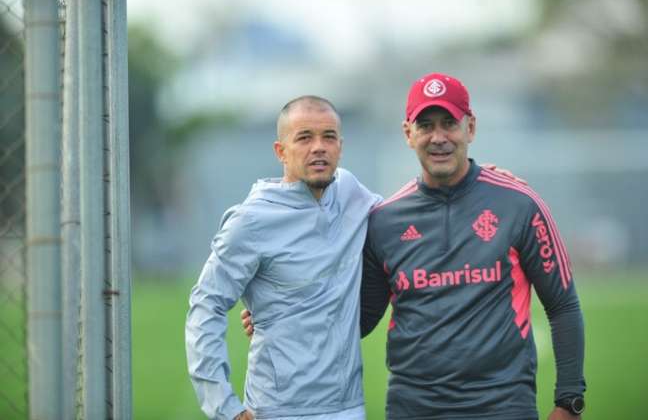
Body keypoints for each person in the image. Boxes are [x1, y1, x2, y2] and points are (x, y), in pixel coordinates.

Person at [360, 73, 586, 420]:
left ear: (471, 128)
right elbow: (359, 319)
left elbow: (563, 305)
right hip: (412, 407)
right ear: (409, 133)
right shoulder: (384, 221)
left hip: (503, 405)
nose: (439, 138)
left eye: (449, 123)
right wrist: (280, 313)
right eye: (426, 125)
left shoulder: (519, 204)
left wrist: (569, 401)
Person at [185, 96, 381, 420]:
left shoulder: (350, 191)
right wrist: (225, 407)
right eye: (304, 137)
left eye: (328, 137)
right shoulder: (250, 222)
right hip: (279, 411)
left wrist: (471, 179)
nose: (318, 147)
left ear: (340, 147)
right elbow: (207, 305)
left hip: (350, 407)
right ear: (281, 151)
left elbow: (402, 218)